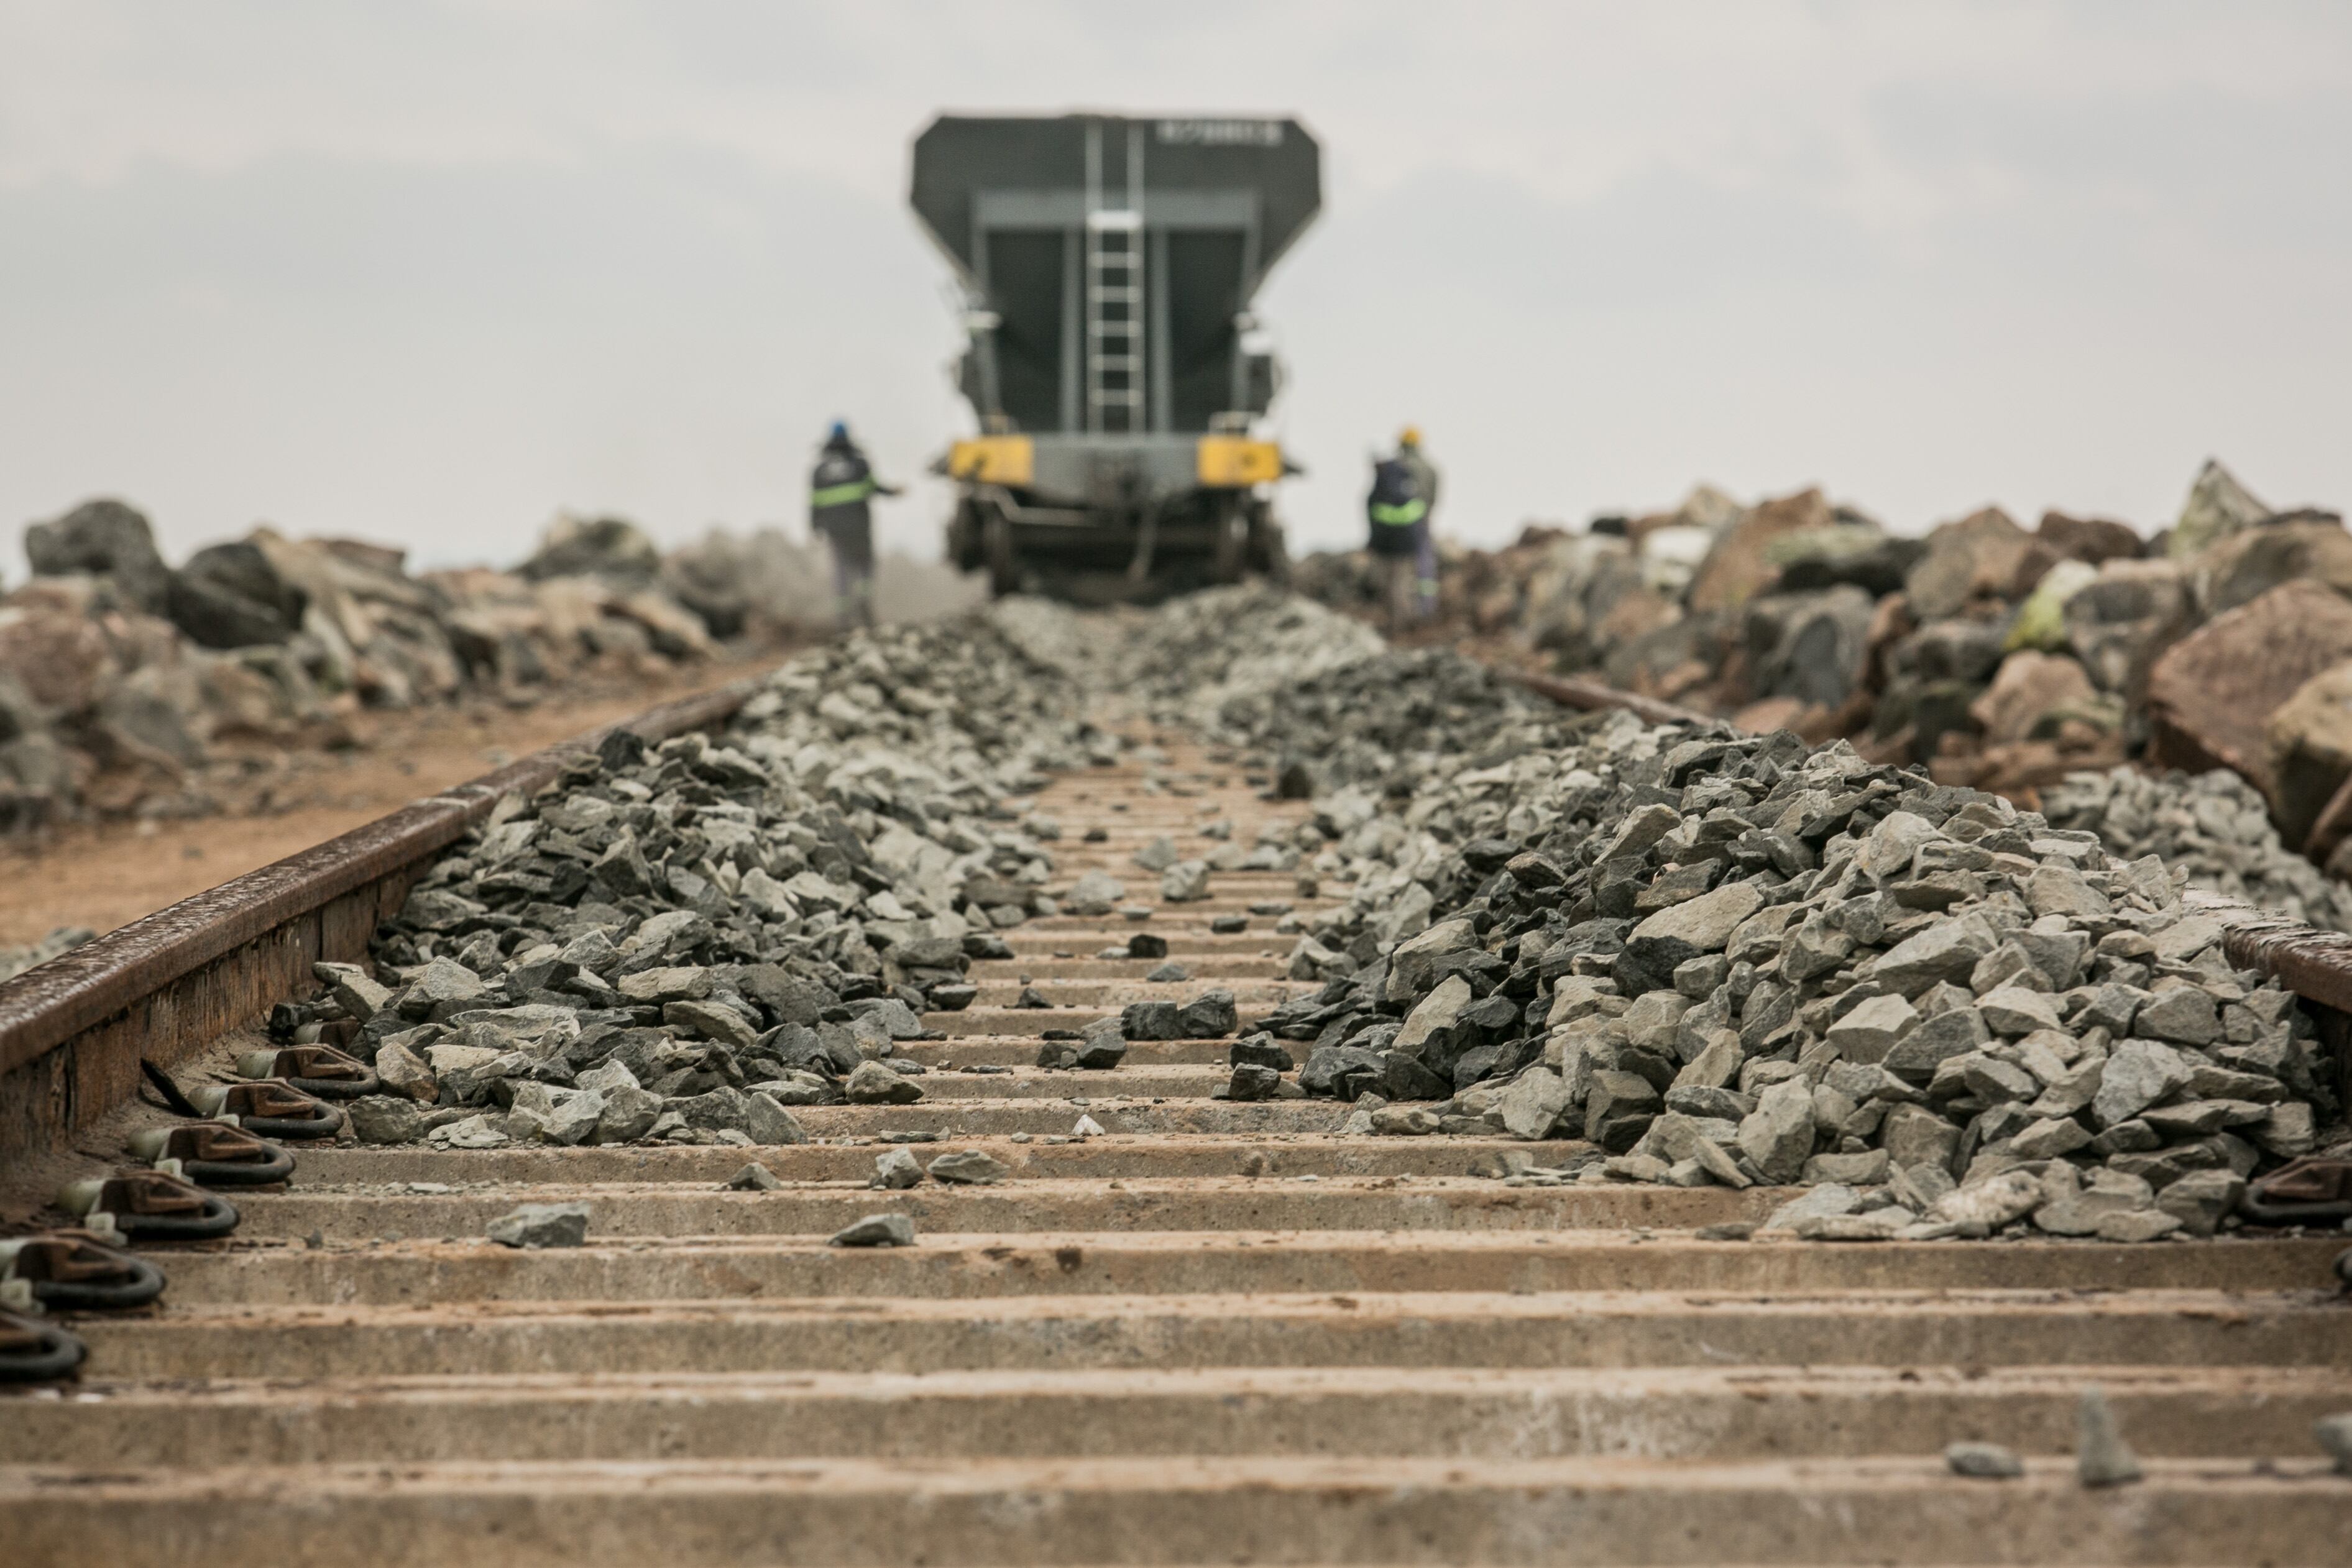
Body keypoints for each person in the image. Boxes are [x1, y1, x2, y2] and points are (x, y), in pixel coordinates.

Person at [808, 421, 901, 628]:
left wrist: (815, 528)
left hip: (835, 532)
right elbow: (874, 487)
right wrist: (894, 492)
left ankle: (843, 619)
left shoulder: (820, 471)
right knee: (865, 566)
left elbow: (814, 503)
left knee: (841, 570)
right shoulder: (859, 464)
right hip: (860, 528)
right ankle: (863, 604)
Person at [1366, 426, 1440, 634]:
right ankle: (1425, 610)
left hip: (1393, 533)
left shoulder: (1395, 468)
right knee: (1422, 569)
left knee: (1396, 578)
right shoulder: (1430, 468)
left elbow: (1373, 504)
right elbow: (1434, 496)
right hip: (1418, 523)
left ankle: (1402, 618)